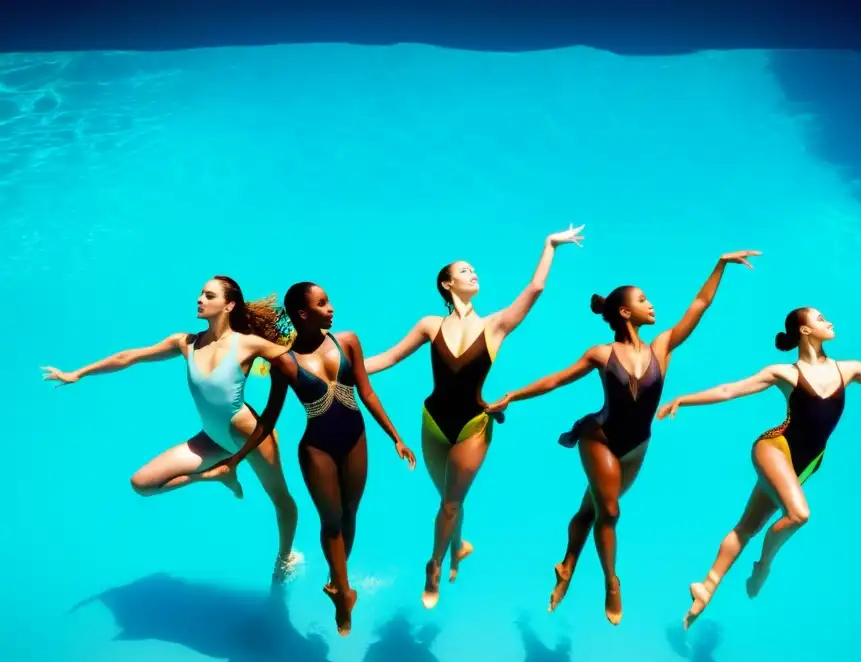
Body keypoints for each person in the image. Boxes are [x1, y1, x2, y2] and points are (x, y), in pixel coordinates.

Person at [657, 306, 861, 629]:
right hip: (774, 447)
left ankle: (707, 587)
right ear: (805, 331)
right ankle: (764, 566)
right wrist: (684, 399)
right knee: (799, 514)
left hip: (807, 463)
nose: (828, 322)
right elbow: (730, 389)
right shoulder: (784, 373)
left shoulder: (850, 369)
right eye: (820, 319)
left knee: (747, 527)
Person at [487, 250, 761, 625]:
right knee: (611, 511)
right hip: (599, 438)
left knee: (592, 510)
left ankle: (566, 565)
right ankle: (612, 583)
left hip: (636, 449)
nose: (652, 305)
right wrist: (513, 396)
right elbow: (556, 379)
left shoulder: (662, 347)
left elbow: (700, 304)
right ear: (626, 313)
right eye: (643, 300)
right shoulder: (602, 354)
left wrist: (720, 264)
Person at [364, 225, 585, 609]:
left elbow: (534, 292)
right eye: (464, 271)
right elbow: (389, 357)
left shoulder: (494, 326)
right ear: (447, 284)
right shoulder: (429, 325)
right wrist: (339, 368)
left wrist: (549, 245)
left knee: (450, 503)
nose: (473, 273)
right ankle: (459, 546)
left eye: (474, 270)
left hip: (472, 427)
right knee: (448, 497)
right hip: (432, 423)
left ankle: (433, 566)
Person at [41, 276, 304, 579]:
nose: (199, 299)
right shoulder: (186, 343)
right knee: (142, 484)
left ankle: (284, 560)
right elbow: (130, 357)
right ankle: (217, 474)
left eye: (208, 295)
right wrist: (78, 373)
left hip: (251, 439)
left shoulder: (249, 344)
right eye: (200, 294)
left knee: (282, 503)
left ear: (229, 305)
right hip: (213, 439)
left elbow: (301, 366)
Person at [197, 282, 416, 635]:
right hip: (316, 449)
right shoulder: (284, 361)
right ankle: (344, 595)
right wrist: (237, 457)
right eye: (322, 303)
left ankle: (335, 579)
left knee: (350, 514)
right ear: (303, 313)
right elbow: (268, 417)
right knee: (330, 521)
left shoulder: (347, 341)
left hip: (356, 439)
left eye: (328, 301)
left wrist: (396, 437)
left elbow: (367, 391)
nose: (330, 308)